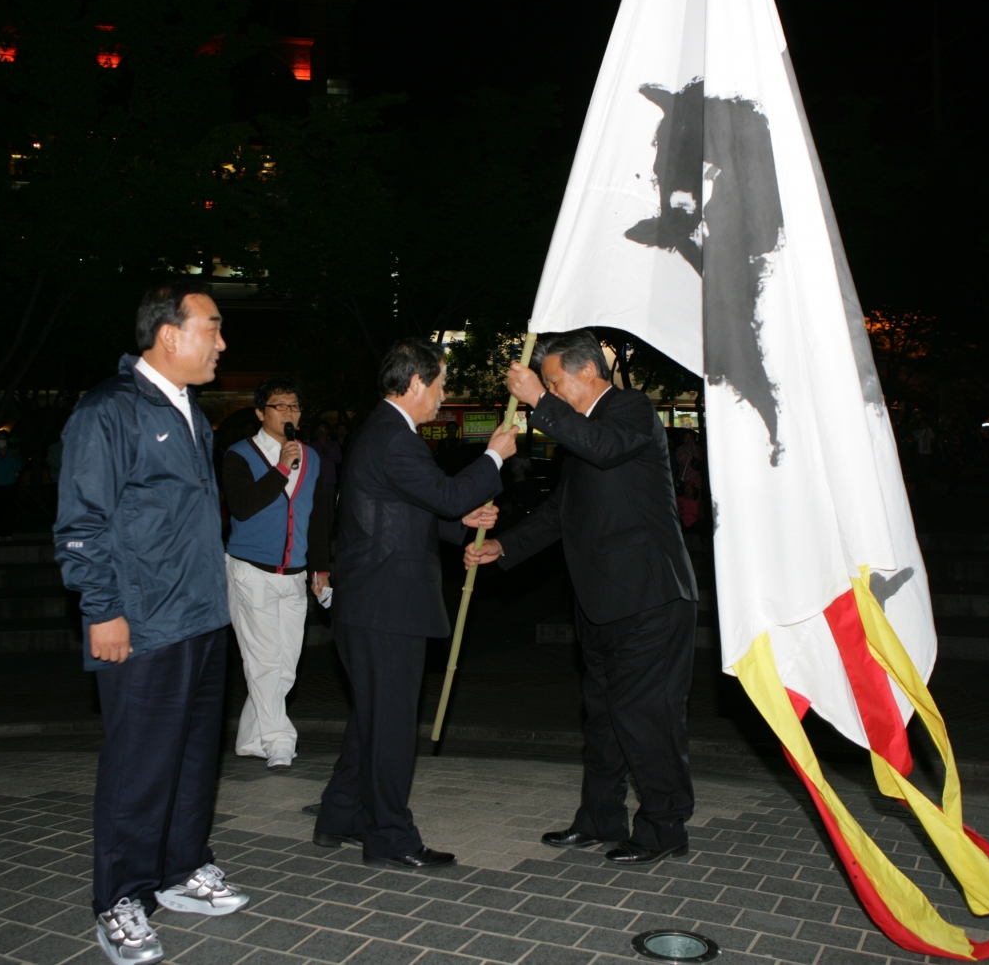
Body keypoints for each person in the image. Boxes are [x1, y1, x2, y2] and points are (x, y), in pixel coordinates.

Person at [55, 280, 249, 965]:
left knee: (195, 758)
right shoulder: (107, 411)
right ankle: (119, 897)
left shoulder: (189, 407)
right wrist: (101, 609)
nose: (222, 342)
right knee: (139, 767)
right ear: (170, 333)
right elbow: (82, 523)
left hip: (200, 617)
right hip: (143, 624)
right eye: (213, 327)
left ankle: (181, 869)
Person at [466, 329, 699, 865]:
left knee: (648, 717)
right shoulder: (582, 432)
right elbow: (558, 513)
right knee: (602, 718)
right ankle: (599, 818)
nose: (546, 389)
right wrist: (504, 546)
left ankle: (665, 827)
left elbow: (605, 448)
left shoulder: (631, 411)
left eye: (553, 381)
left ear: (589, 372)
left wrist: (538, 401)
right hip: (600, 602)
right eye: (545, 383)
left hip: (650, 598)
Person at [311, 338, 517, 870]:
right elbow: (445, 494)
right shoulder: (394, 436)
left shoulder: (380, 430)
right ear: (417, 382)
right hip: (386, 606)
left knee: (372, 719)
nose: (445, 397)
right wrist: (494, 454)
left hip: (371, 602)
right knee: (393, 725)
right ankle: (390, 837)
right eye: (442, 385)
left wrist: (459, 525)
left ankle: (341, 813)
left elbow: (404, 508)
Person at [220, 377, 331, 769]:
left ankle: (251, 738)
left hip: (295, 574)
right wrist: (282, 468)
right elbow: (243, 506)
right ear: (260, 412)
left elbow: (317, 518)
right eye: (279, 406)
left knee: (284, 666)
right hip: (250, 571)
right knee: (264, 661)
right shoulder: (238, 454)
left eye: (294, 406)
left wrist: (320, 568)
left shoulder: (312, 458)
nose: (288, 413)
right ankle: (280, 739)